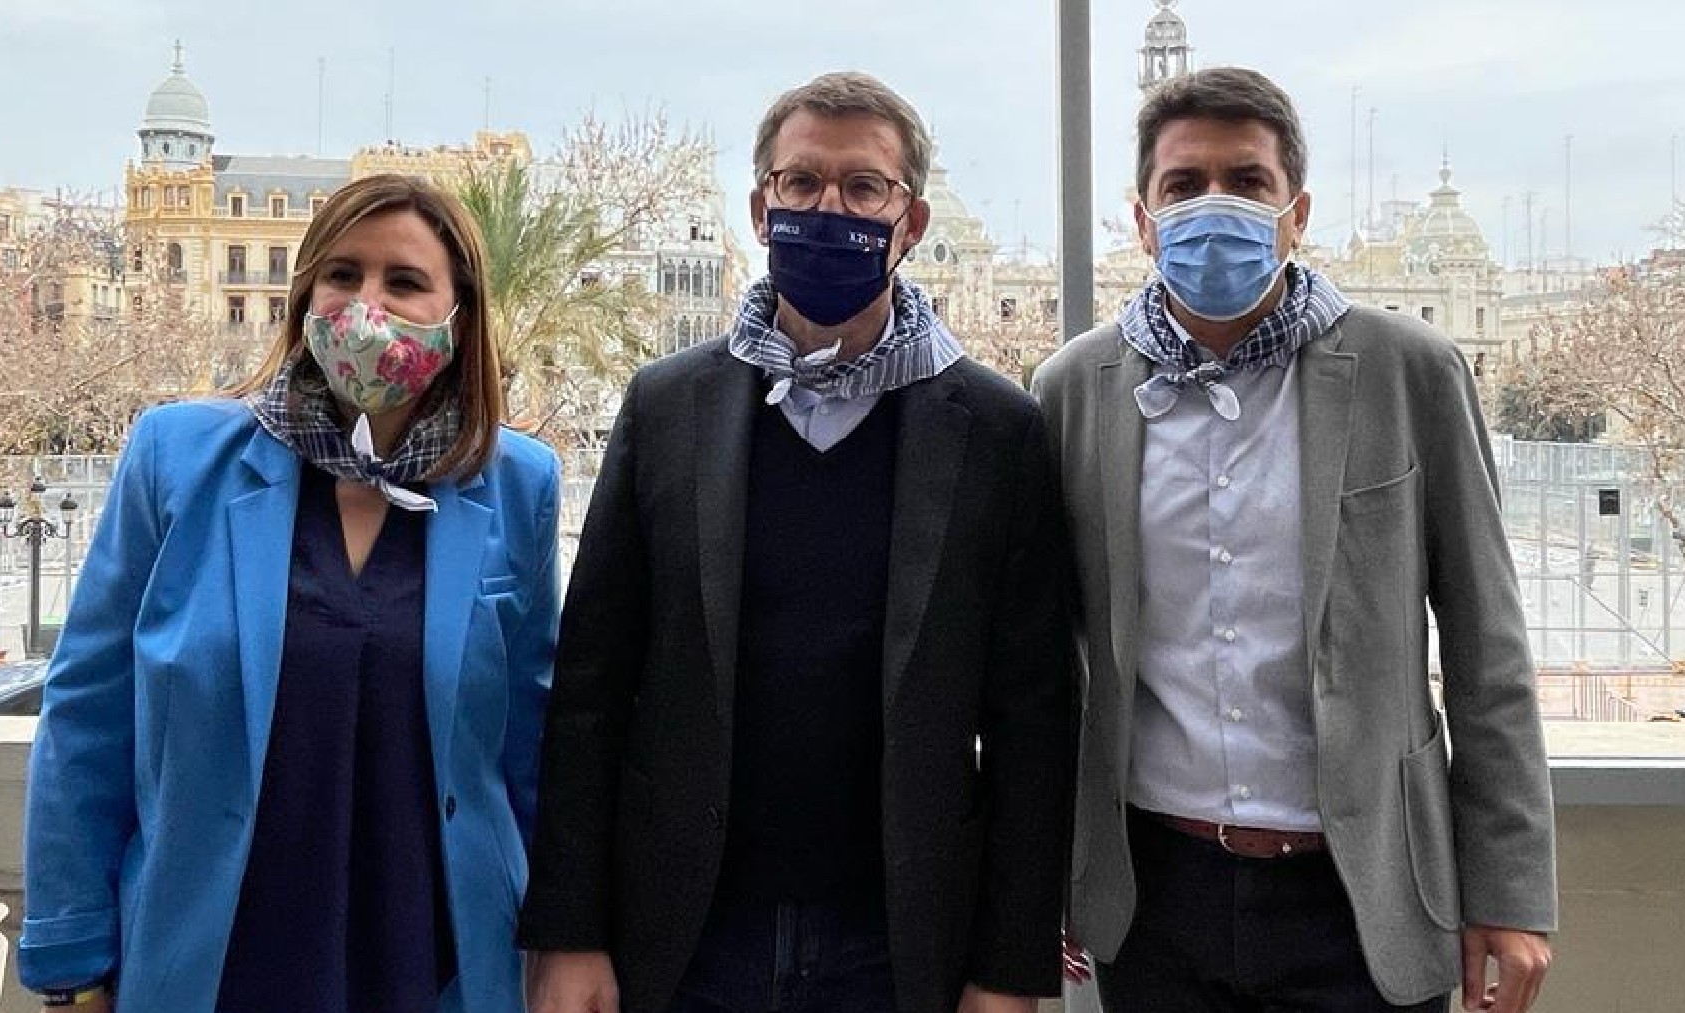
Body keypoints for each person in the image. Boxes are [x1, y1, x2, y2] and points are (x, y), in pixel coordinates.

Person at [516, 71, 1078, 1013]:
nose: (831, 208)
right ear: (759, 206)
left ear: (914, 221)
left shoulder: (996, 429)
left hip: (901, 946)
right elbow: (591, 687)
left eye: (865, 188)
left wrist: (1006, 971)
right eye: (802, 183)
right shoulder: (669, 406)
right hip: (688, 932)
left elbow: (1035, 719)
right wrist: (570, 928)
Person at [1033, 67, 1556, 1013]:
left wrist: (1512, 892)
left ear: (1296, 211)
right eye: (1184, 186)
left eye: (1247, 180)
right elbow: (1043, 663)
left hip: (1362, 896)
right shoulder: (1075, 388)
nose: (1214, 205)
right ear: (1142, 219)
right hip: (1155, 895)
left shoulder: (1410, 372)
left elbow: (1489, 651)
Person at [18, 173, 560, 1013]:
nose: (365, 305)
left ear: (461, 315)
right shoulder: (177, 458)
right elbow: (88, 711)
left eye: (405, 281)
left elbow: (531, 740)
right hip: (218, 961)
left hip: (435, 962)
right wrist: (70, 952)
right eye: (342, 274)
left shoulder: (516, 485)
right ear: (305, 293)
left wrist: (559, 941)